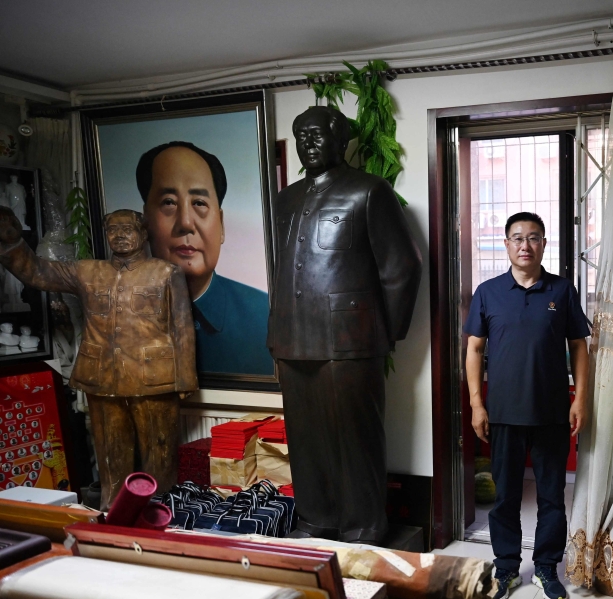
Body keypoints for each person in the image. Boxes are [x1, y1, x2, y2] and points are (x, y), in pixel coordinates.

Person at [270, 106, 421, 543]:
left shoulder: (368, 191)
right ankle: (317, 517)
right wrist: (274, 331)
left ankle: (364, 524)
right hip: (293, 338)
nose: (308, 144)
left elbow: (402, 267)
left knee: (356, 439)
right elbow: (281, 271)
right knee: (305, 439)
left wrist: (379, 332)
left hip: (350, 342)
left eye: (316, 134)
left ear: (341, 139)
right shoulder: (286, 199)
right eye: (301, 136)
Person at [0, 207, 197, 509]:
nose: (119, 235)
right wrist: (12, 241)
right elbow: (36, 271)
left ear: (143, 234)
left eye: (127, 229)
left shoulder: (165, 272)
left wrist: (185, 378)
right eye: (112, 229)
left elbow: (182, 327)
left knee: (159, 455)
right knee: (110, 455)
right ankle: (113, 512)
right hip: (102, 377)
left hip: (154, 379)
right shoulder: (87, 271)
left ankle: (160, 513)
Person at [465, 211, 590, 599]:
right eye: (517, 238)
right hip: (502, 412)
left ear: (543, 245)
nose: (525, 245)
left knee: (552, 495)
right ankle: (505, 567)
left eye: (533, 237)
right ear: (506, 245)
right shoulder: (487, 292)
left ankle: (546, 568)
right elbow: (473, 349)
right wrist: (475, 403)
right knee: (506, 496)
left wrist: (581, 398)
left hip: (552, 411)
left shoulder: (562, 291)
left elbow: (579, 347)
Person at [138, 141, 273, 376]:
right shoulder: (124, 316)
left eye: (199, 203)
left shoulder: (266, 316)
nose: (186, 223)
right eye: (169, 202)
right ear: (144, 221)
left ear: (221, 225)